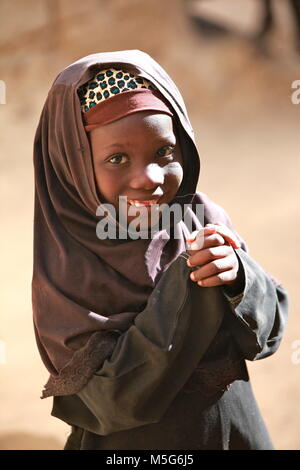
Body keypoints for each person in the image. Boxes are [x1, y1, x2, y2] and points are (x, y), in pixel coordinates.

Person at [32, 50, 288, 450]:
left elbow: (269, 335)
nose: (148, 179)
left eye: (163, 153)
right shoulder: (67, 266)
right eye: (117, 158)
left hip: (235, 433)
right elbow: (115, 402)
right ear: (72, 164)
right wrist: (190, 284)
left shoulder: (200, 216)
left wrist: (240, 277)